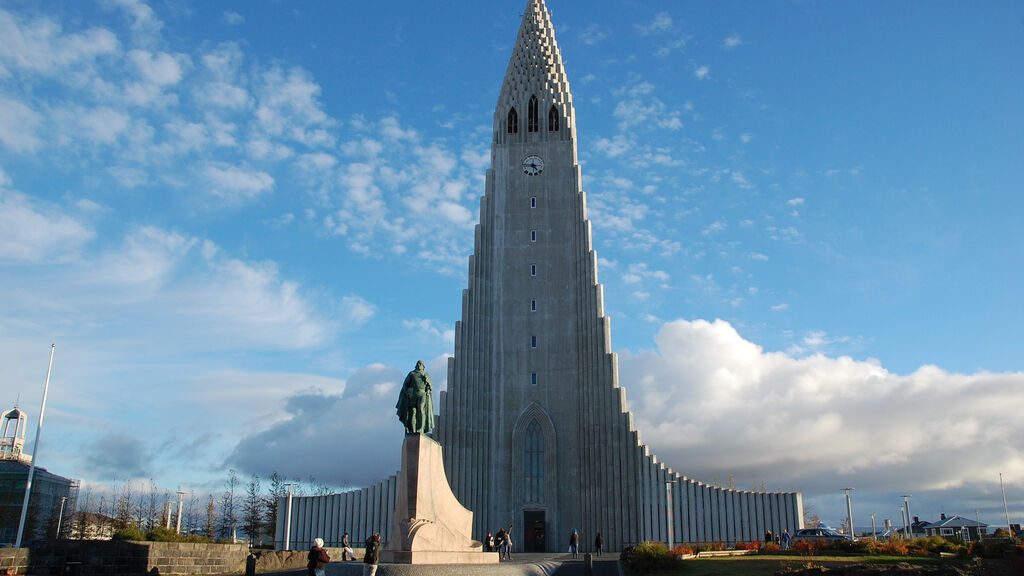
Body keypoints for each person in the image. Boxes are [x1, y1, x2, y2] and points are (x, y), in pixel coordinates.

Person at [396, 360, 435, 434]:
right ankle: (412, 430)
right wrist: (407, 392)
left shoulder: (425, 375)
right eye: (418, 363)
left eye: (421, 364)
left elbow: (431, 388)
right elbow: (405, 385)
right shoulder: (412, 374)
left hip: (422, 394)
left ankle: (420, 429)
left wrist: (427, 380)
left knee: (421, 409)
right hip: (413, 395)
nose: (419, 365)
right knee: (412, 412)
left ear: (423, 367)